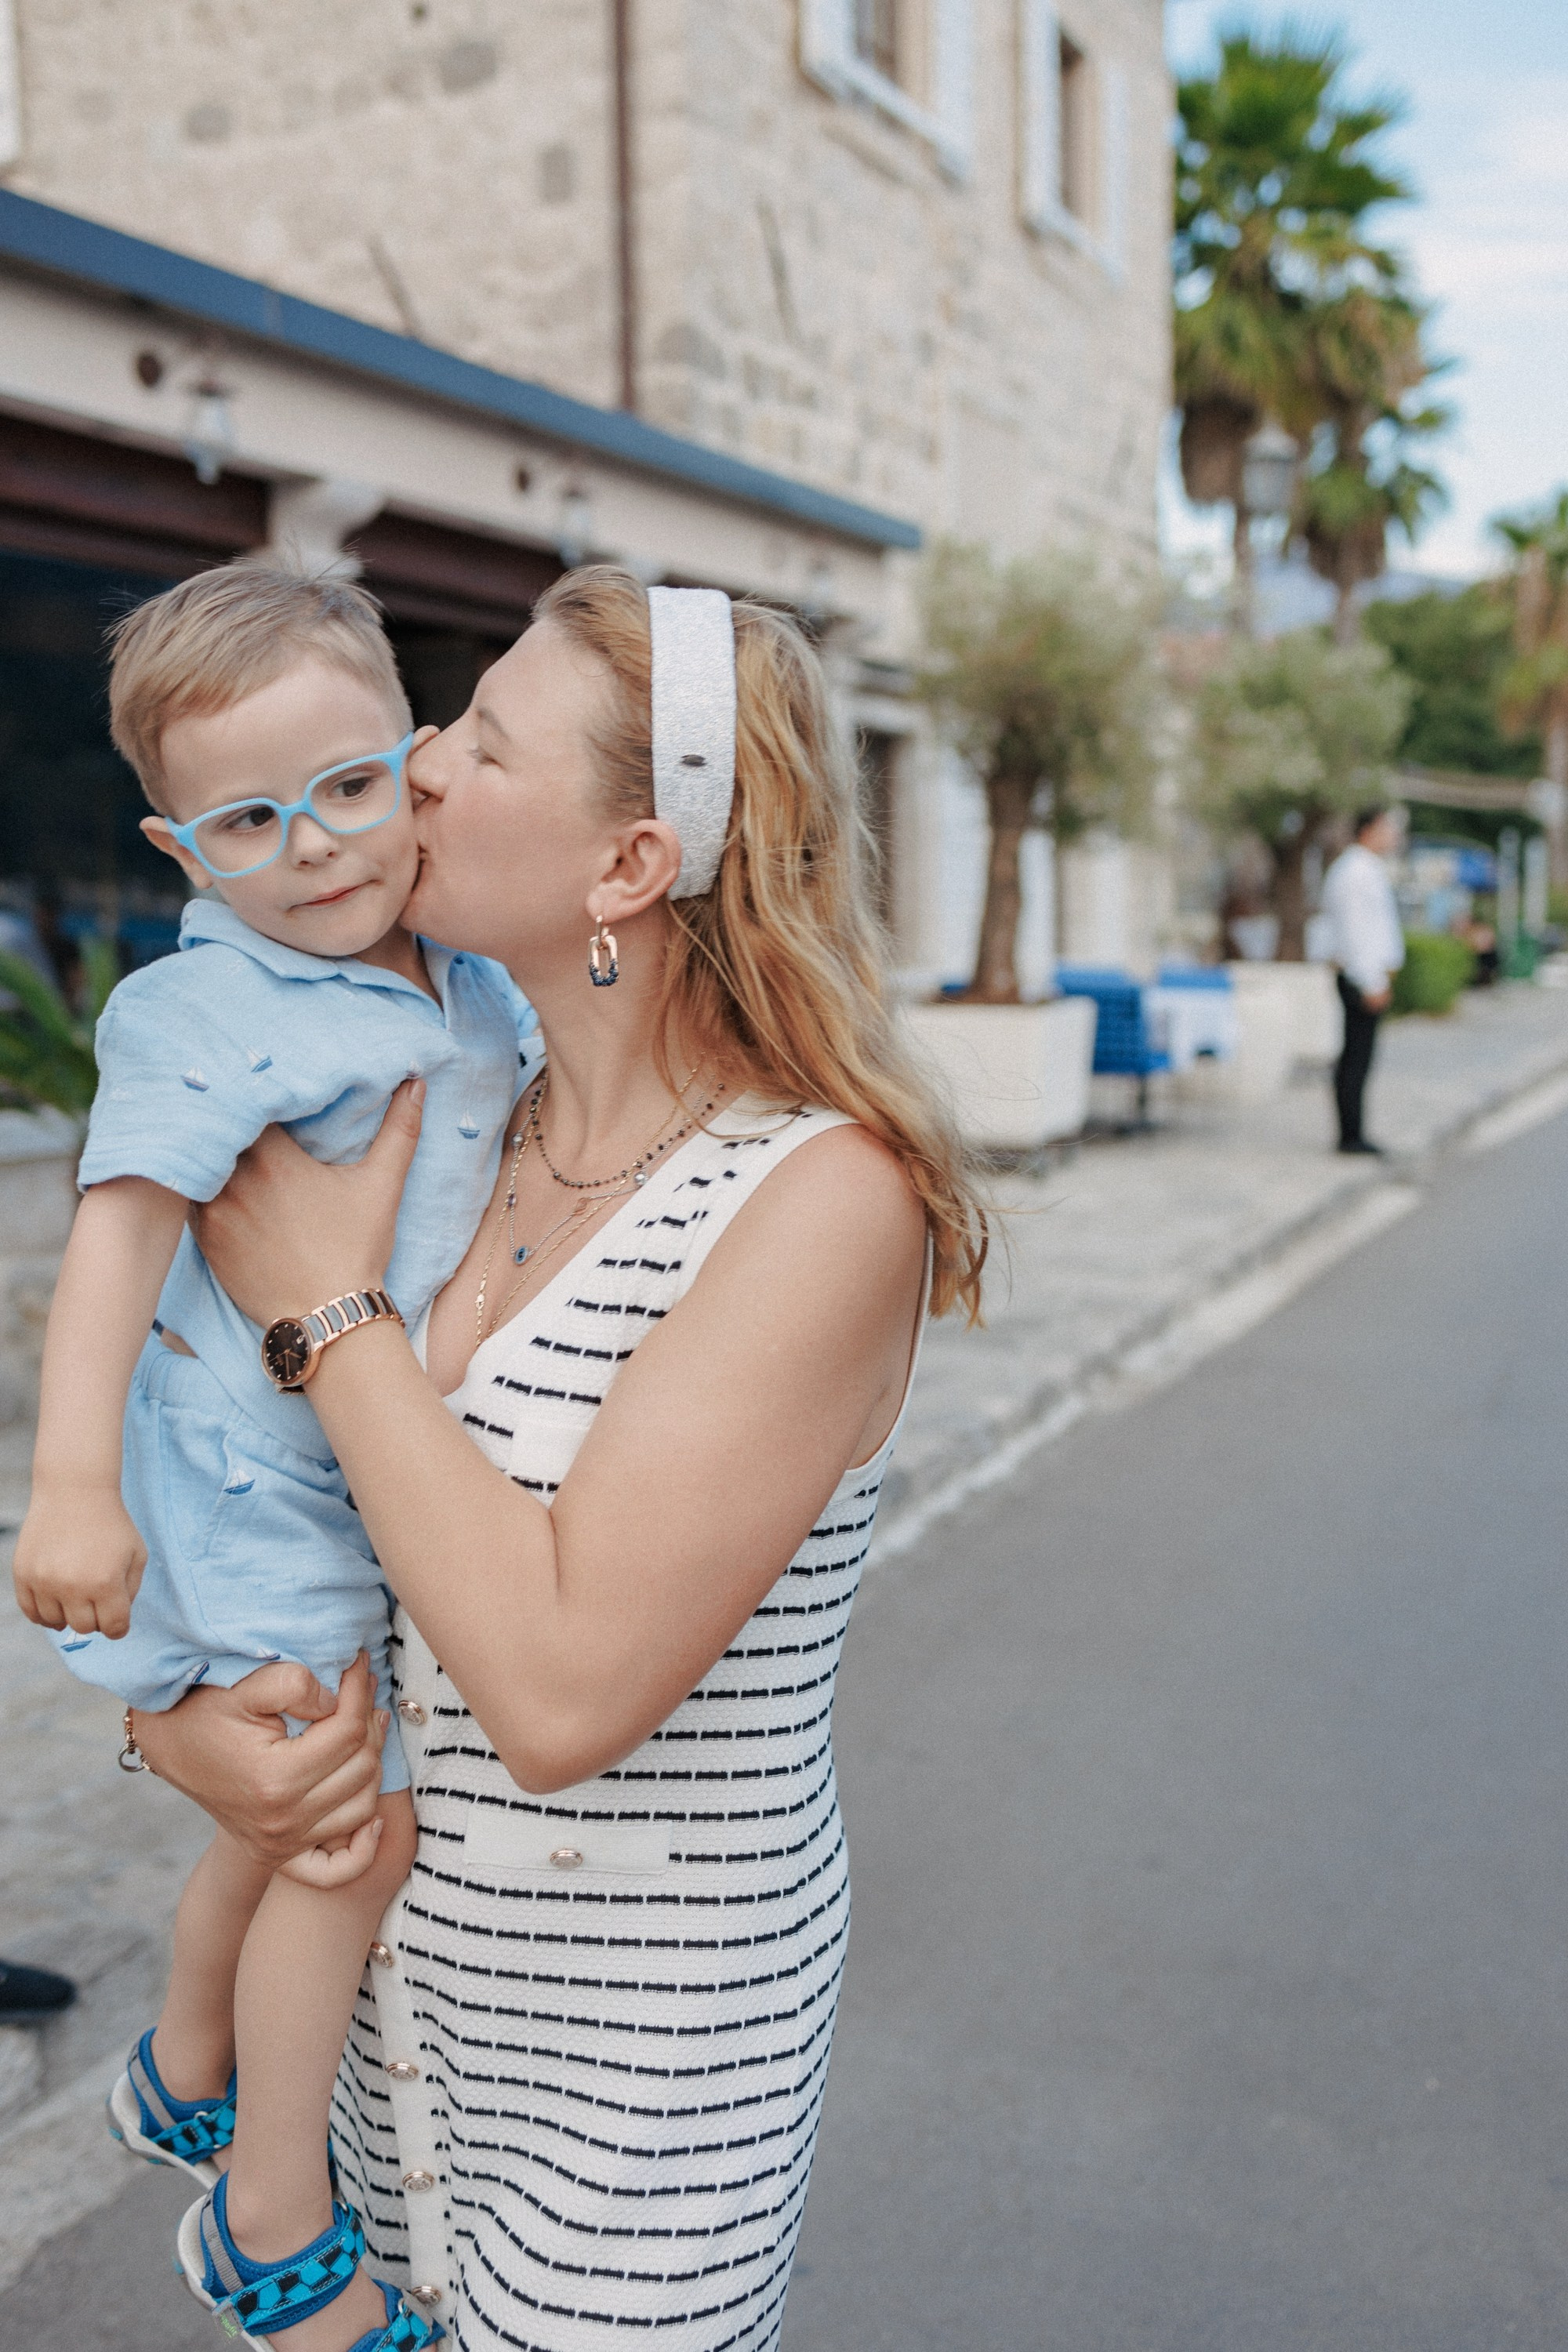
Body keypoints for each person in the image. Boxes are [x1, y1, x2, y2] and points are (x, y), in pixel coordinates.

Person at [129, 566, 987, 2350]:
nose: (418, 762)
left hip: (632, 2110)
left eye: (483, 741)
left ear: (623, 870)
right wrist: (175, 1727)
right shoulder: (447, 1117)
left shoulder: (820, 1197)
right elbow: (253, 1487)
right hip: (381, 2049)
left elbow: (556, 1684)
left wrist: (328, 1308)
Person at [13, 562, 540, 2352]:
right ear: (180, 850)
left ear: (410, 761)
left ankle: (179, 2059)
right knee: (342, 1833)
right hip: (257, 1490)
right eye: (251, 817)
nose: (314, 844)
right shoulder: (203, 1007)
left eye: (347, 785)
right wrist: (70, 1482)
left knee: (297, 1796)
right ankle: (269, 2212)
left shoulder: (469, 968)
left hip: (376, 1467)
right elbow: (115, 1230)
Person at [1321, 804, 1405, 1156]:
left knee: (1360, 1057)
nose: (1393, 836)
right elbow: (1357, 935)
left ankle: (1354, 1130)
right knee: (1355, 1058)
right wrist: (1371, 982)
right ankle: (1350, 1134)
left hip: (1364, 976)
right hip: (1359, 978)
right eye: (1387, 828)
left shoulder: (1366, 869)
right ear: (1369, 830)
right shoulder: (1355, 872)